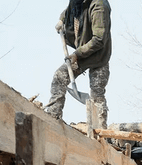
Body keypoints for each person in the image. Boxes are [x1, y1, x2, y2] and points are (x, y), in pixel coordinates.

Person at [47, 0, 112, 128]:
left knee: (96, 94)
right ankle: (53, 118)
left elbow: (99, 39)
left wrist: (77, 54)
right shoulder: (77, 2)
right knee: (59, 77)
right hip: (82, 55)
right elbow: (67, 11)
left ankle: (100, 133)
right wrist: (61, 21)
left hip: (98, 56)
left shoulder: (99, 6)